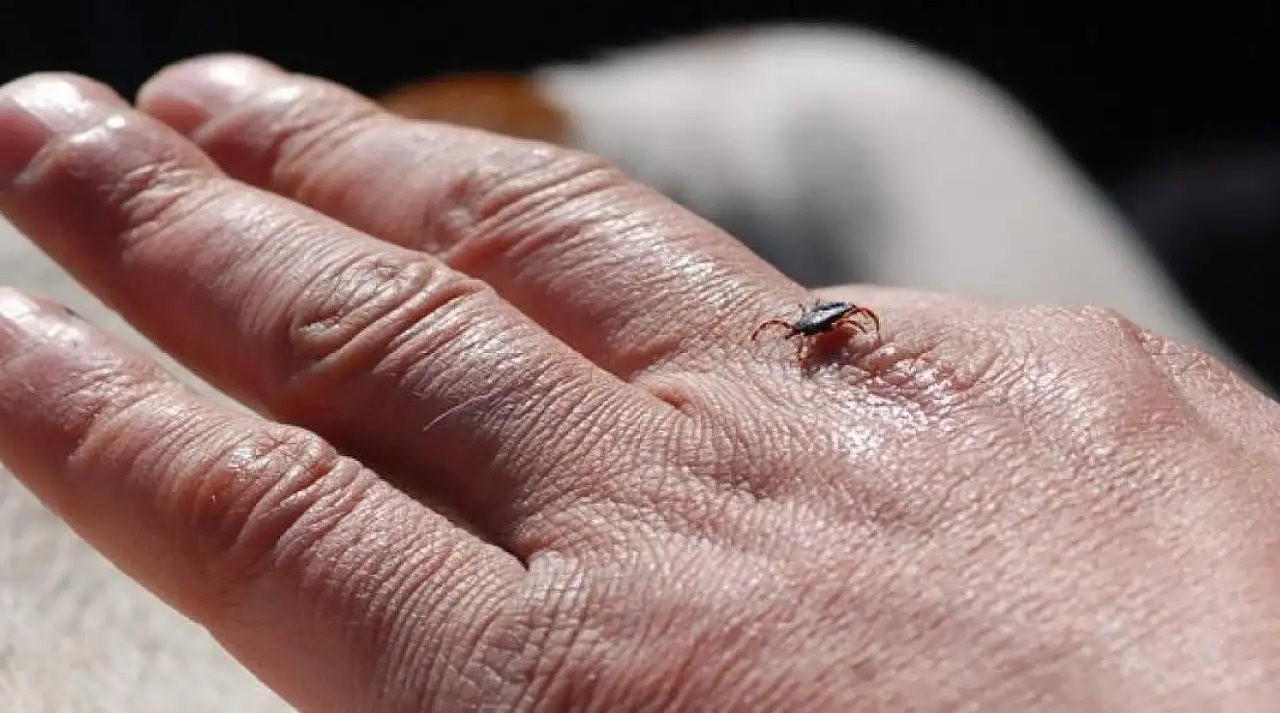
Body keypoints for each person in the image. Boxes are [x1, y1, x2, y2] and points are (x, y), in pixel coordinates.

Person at [3, 53, 1280, 712]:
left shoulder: (832, 333)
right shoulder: (816, 329)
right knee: (872, 101)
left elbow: (833, 328)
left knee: (873, 105)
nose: (824, 341)